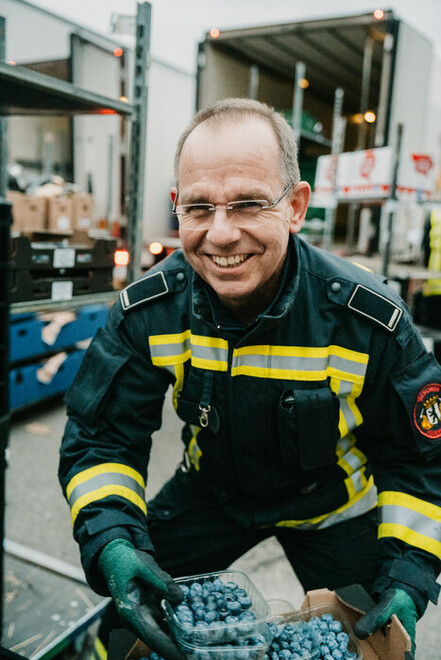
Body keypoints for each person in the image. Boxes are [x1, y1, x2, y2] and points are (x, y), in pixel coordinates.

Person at [59, 98, 441, 659]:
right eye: (198, 208)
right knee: (119, 635)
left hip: (332, 507)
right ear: (177, 210)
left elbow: (419, 459)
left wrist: (409, 577)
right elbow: (103, 438)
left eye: (247, 204)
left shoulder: (370, 322)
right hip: (212, 493)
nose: (220, 234)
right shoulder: (149, 310)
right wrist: (114, 543)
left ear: (296, 206)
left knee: (381, 642)